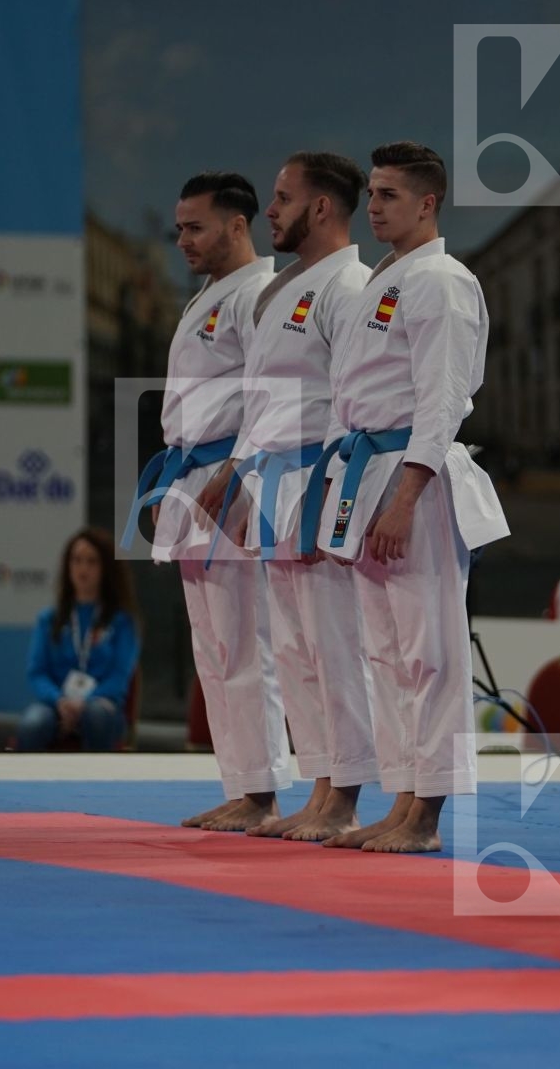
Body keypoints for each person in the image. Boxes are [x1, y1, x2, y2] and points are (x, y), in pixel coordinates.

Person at [306, 141, 508, 853]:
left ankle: (428, 812)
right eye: (373, 194)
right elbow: (346, 400)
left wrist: (404, 494)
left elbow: (443, 397)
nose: (375, 207)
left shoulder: (444, 280)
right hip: (362, 474)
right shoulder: (379, 285)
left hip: (410, 481)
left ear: (427, 203)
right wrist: (334, 496)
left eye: (390, 194)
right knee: (386, 653)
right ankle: (400, 800)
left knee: (430, 651)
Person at [218, 152, 381, 842]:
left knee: (335, 644)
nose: (271, 211)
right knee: (294, 649)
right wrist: (236, 476)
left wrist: (334, 502)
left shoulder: (352, 286)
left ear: (321, 208)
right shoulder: (283, 289)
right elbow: (259, 402)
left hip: (321, 476)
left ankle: (344, 794)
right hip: (272, 476)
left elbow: (355, 399)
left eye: (283, 198)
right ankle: (318, 787)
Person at [124, 171, 291, 833]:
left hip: (232, 477)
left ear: (237, 225)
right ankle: (242, 784)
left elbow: (271, 395)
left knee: (248, 641)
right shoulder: (208, 296)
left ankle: (265, 791)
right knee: (214, 647)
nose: (182, 240)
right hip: (191, 474)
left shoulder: (262, 295)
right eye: (179, 228)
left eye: (195, 227)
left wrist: (240, 473)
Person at [16, 528, 140, 752]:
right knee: (32, 724)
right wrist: (60, 701)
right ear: (67, 567)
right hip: (57, 705)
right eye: (77, 560)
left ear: (105, 569)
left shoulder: (122, 622)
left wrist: (85, 703)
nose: (83, 568)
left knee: (96, 716)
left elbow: (120, 676)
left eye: (92, 562)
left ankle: (96, 785)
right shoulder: (49, 619)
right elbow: (37, 672)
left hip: (101, 703)